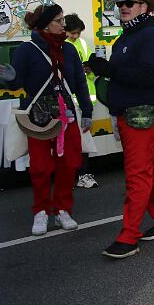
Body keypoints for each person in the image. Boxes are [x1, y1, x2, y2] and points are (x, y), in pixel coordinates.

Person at [87, 0, 154, 259]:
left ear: (145, 6)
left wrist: (110, 70)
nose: (124, 8)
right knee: (147, 170)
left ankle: (129, 237)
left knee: (137, 175)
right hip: (133, 113)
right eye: (120, 4)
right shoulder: (131, 34)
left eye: (130, 3)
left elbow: (149, 76)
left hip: (144, 114)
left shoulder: (149, 35)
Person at [0, 4, 92, 235]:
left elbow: (79, 83)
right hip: (37, 117)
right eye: (59, 20)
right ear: (45, 24)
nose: (63, 24)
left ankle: (62, 210)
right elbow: (17, 83)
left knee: (68, 164)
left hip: (66, 115)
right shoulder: (26, 50)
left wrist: (87, 112)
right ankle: (41, 211)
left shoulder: (68, 50)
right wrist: (11, 79)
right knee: (40, 167)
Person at [64, 14, 99, 189]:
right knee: (70, 142)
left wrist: (89, 71)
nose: (76, 36)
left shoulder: (83, 44)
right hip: (69, 102)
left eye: (78, 33)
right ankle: (74, 174)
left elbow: (93, 72)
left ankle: (83, 174)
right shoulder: (60, 46)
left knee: (84, 141)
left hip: (86, 101)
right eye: (73, 33)